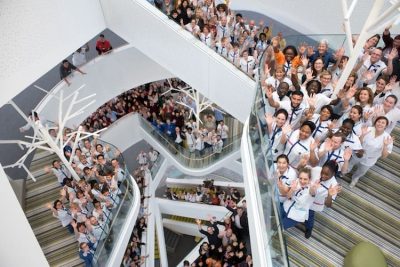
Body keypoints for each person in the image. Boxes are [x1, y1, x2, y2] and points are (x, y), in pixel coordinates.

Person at [349, 116, 393, 188]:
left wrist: (385, 146)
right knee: (350, 164)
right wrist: (362, 135)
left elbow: (384, 156)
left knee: (361, 171)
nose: (380, 124)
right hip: (358, 153)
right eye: (379, 122)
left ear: (386, 126)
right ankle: (344, 172)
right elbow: (357, 143)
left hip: (369, 159)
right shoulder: (367, 129)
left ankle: (355, 178)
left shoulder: (387, 138)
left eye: (383, 123)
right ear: (375, 123)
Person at [304, 161, 341, 238]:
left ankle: (309, 228)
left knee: (309, 217)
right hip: (305, 196)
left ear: (333, 174)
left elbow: (328, 205)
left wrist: (329, 195)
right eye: (322, 172)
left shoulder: (334, 185)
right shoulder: (316, 169)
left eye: (327, 174)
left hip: (314, 204)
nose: (323, 176)